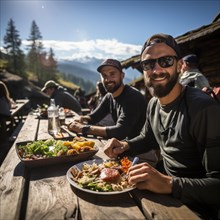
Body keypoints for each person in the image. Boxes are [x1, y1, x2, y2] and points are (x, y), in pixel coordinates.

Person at [103, 34, 220, 219]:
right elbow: (148, 137)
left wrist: (168, 184)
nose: (156, 70)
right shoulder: (154, 104)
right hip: (162, 193)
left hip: (196, 208)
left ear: (179, 65)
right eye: (149, 64)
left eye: (165, 60)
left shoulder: (203, 109)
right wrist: (125, 145)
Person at [68, 58, 148, 140]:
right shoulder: (109, 96)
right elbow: (94, 117)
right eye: (104, 75)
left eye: (112, 74)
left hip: (142, 150)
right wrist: (83, 119)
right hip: (125, 145)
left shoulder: (132, 97)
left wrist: (84, 129)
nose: (108, 79)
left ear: (122, 75)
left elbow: (120, 131)